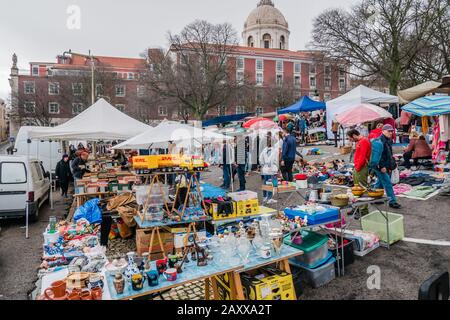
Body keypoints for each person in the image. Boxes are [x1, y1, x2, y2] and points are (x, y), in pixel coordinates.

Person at [373, 124, 401, 209]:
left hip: (386, 165)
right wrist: (381, 166)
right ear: (383, 131)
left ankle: (375, 198)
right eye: (389, 131)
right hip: (380, 166)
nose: (391, 132)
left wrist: (391, 164)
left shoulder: (388, 140)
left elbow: (388, 154)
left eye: (392, 131)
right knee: (388, 183)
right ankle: (392, 201)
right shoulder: (379, 141)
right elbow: (378, 156)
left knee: (380, 182)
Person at [347, 129, 371, 215]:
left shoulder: (363, 141)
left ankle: (363, 210)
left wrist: (357, 168)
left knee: (361, 188)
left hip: (361, 167)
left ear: (354, 135)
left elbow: (362, 156)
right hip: (358, 167)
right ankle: (357, 207)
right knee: (357, 189)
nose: (350, 140)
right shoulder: (361, 141)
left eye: (350, 138)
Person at [259, 132, 279, 204]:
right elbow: (276, 160)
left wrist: (263, 165)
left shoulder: (264, 150)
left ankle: (265, 197)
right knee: (271, 183)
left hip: (265, 169)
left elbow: (260, 159)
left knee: (265, 182)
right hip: (272, 169)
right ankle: (269, 198)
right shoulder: (275, 150)